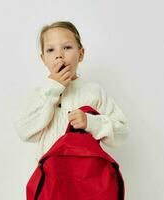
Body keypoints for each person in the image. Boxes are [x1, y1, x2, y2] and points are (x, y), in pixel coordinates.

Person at [12, 21, 129, 161]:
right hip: (51, 177)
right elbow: (24, 130)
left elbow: (122, 132)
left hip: (85, 176)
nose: (59, 55)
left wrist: (91, 122)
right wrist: (53, 88)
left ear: (81, 54)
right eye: (51, 50)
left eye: (67, 47)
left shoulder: (93, 91)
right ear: (43, 59)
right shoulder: (42, 93)